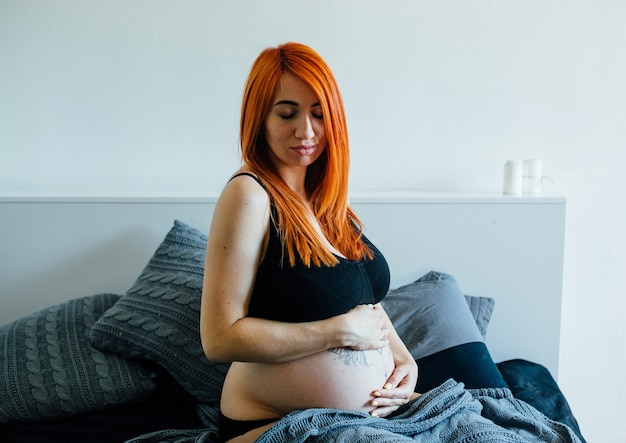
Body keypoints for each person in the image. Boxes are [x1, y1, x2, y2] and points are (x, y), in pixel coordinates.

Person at [199, 42, 418, 443]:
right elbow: (218, 338)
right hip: (273, 424)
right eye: (287, 113)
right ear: (259, 117)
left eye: (319, 113)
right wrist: (336, 332)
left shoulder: (326, 201)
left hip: (369, 420)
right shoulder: (251, 195)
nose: (306, 130)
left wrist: (404, 361)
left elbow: (363, 303)